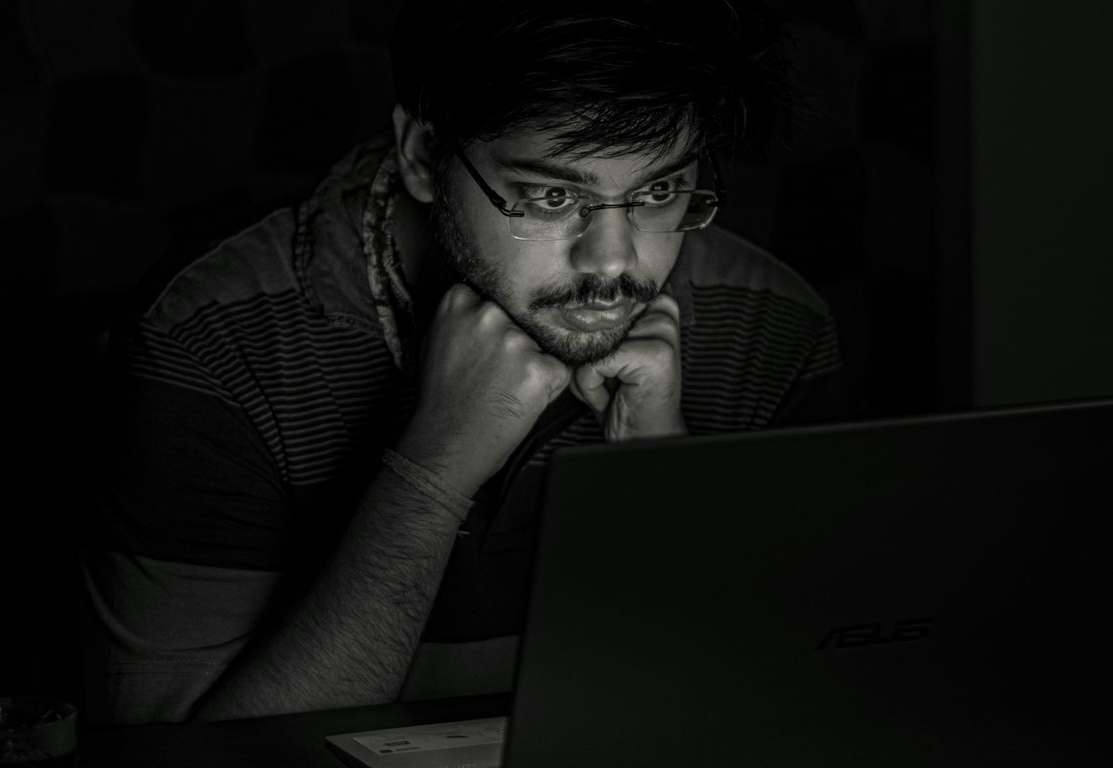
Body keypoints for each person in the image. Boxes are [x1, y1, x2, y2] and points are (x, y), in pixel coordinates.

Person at [81, 0, 848, 726]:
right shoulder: (214, 343)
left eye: (659, 191)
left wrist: (659, 480)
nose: (613, 264)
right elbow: (177, 757)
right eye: (551, 196)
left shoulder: (775, 329)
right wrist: (432, 473)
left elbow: (809, 716)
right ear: (423, 158)